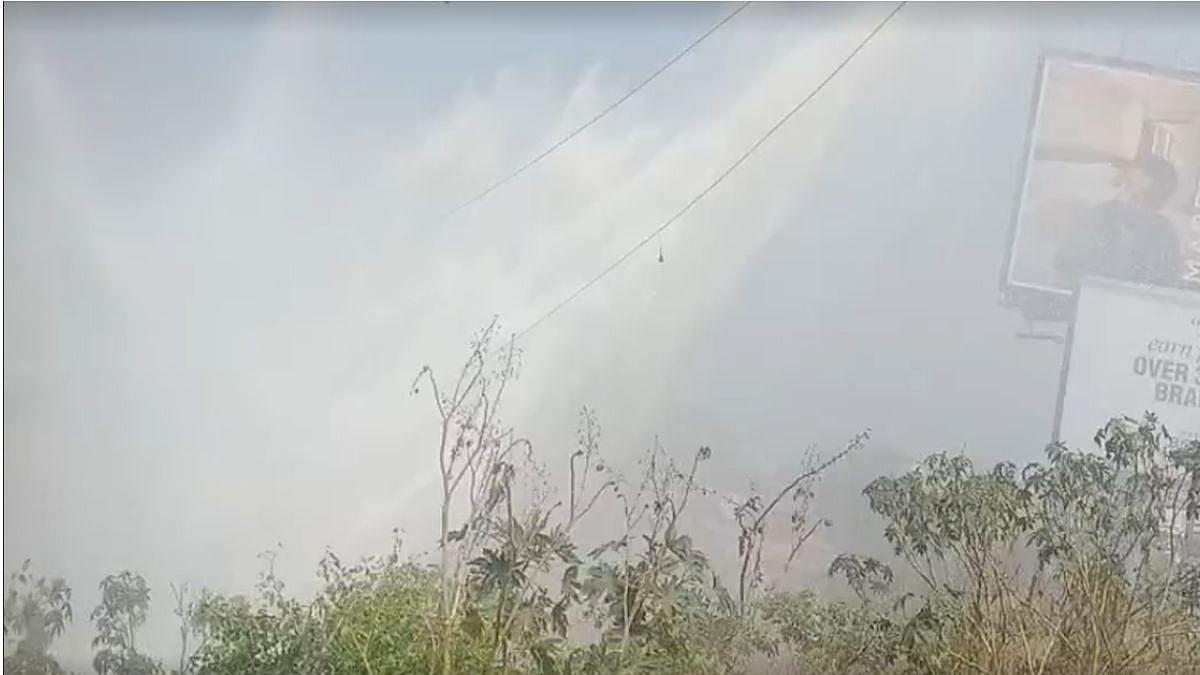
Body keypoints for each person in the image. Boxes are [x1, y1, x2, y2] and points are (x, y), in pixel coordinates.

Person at [1053, 152, 1184, 290]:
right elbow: (1063, 269)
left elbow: (1165, 289)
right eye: (1124, 183)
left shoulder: (1164, 236)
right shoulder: (1094, 218)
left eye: (1129, 184)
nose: (1122, 190)